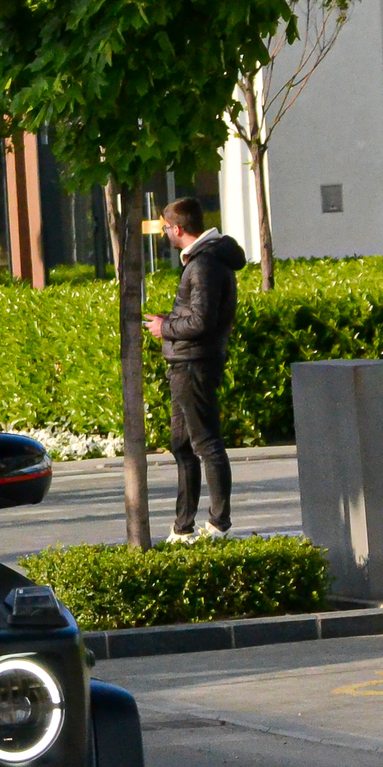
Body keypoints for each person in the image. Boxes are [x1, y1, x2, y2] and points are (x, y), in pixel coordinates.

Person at [141, 197, 246, 540]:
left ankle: (218, 525)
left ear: (178, 229)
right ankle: (183, 528)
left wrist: (165, 328)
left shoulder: (204, 265)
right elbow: (200, 316)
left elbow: (202, 321)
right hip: (187, 362)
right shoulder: (206, 261)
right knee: (183, 445)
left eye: (165, 228)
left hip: (194, 364)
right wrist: (169, 321)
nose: (165, 234)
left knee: (205, 443)